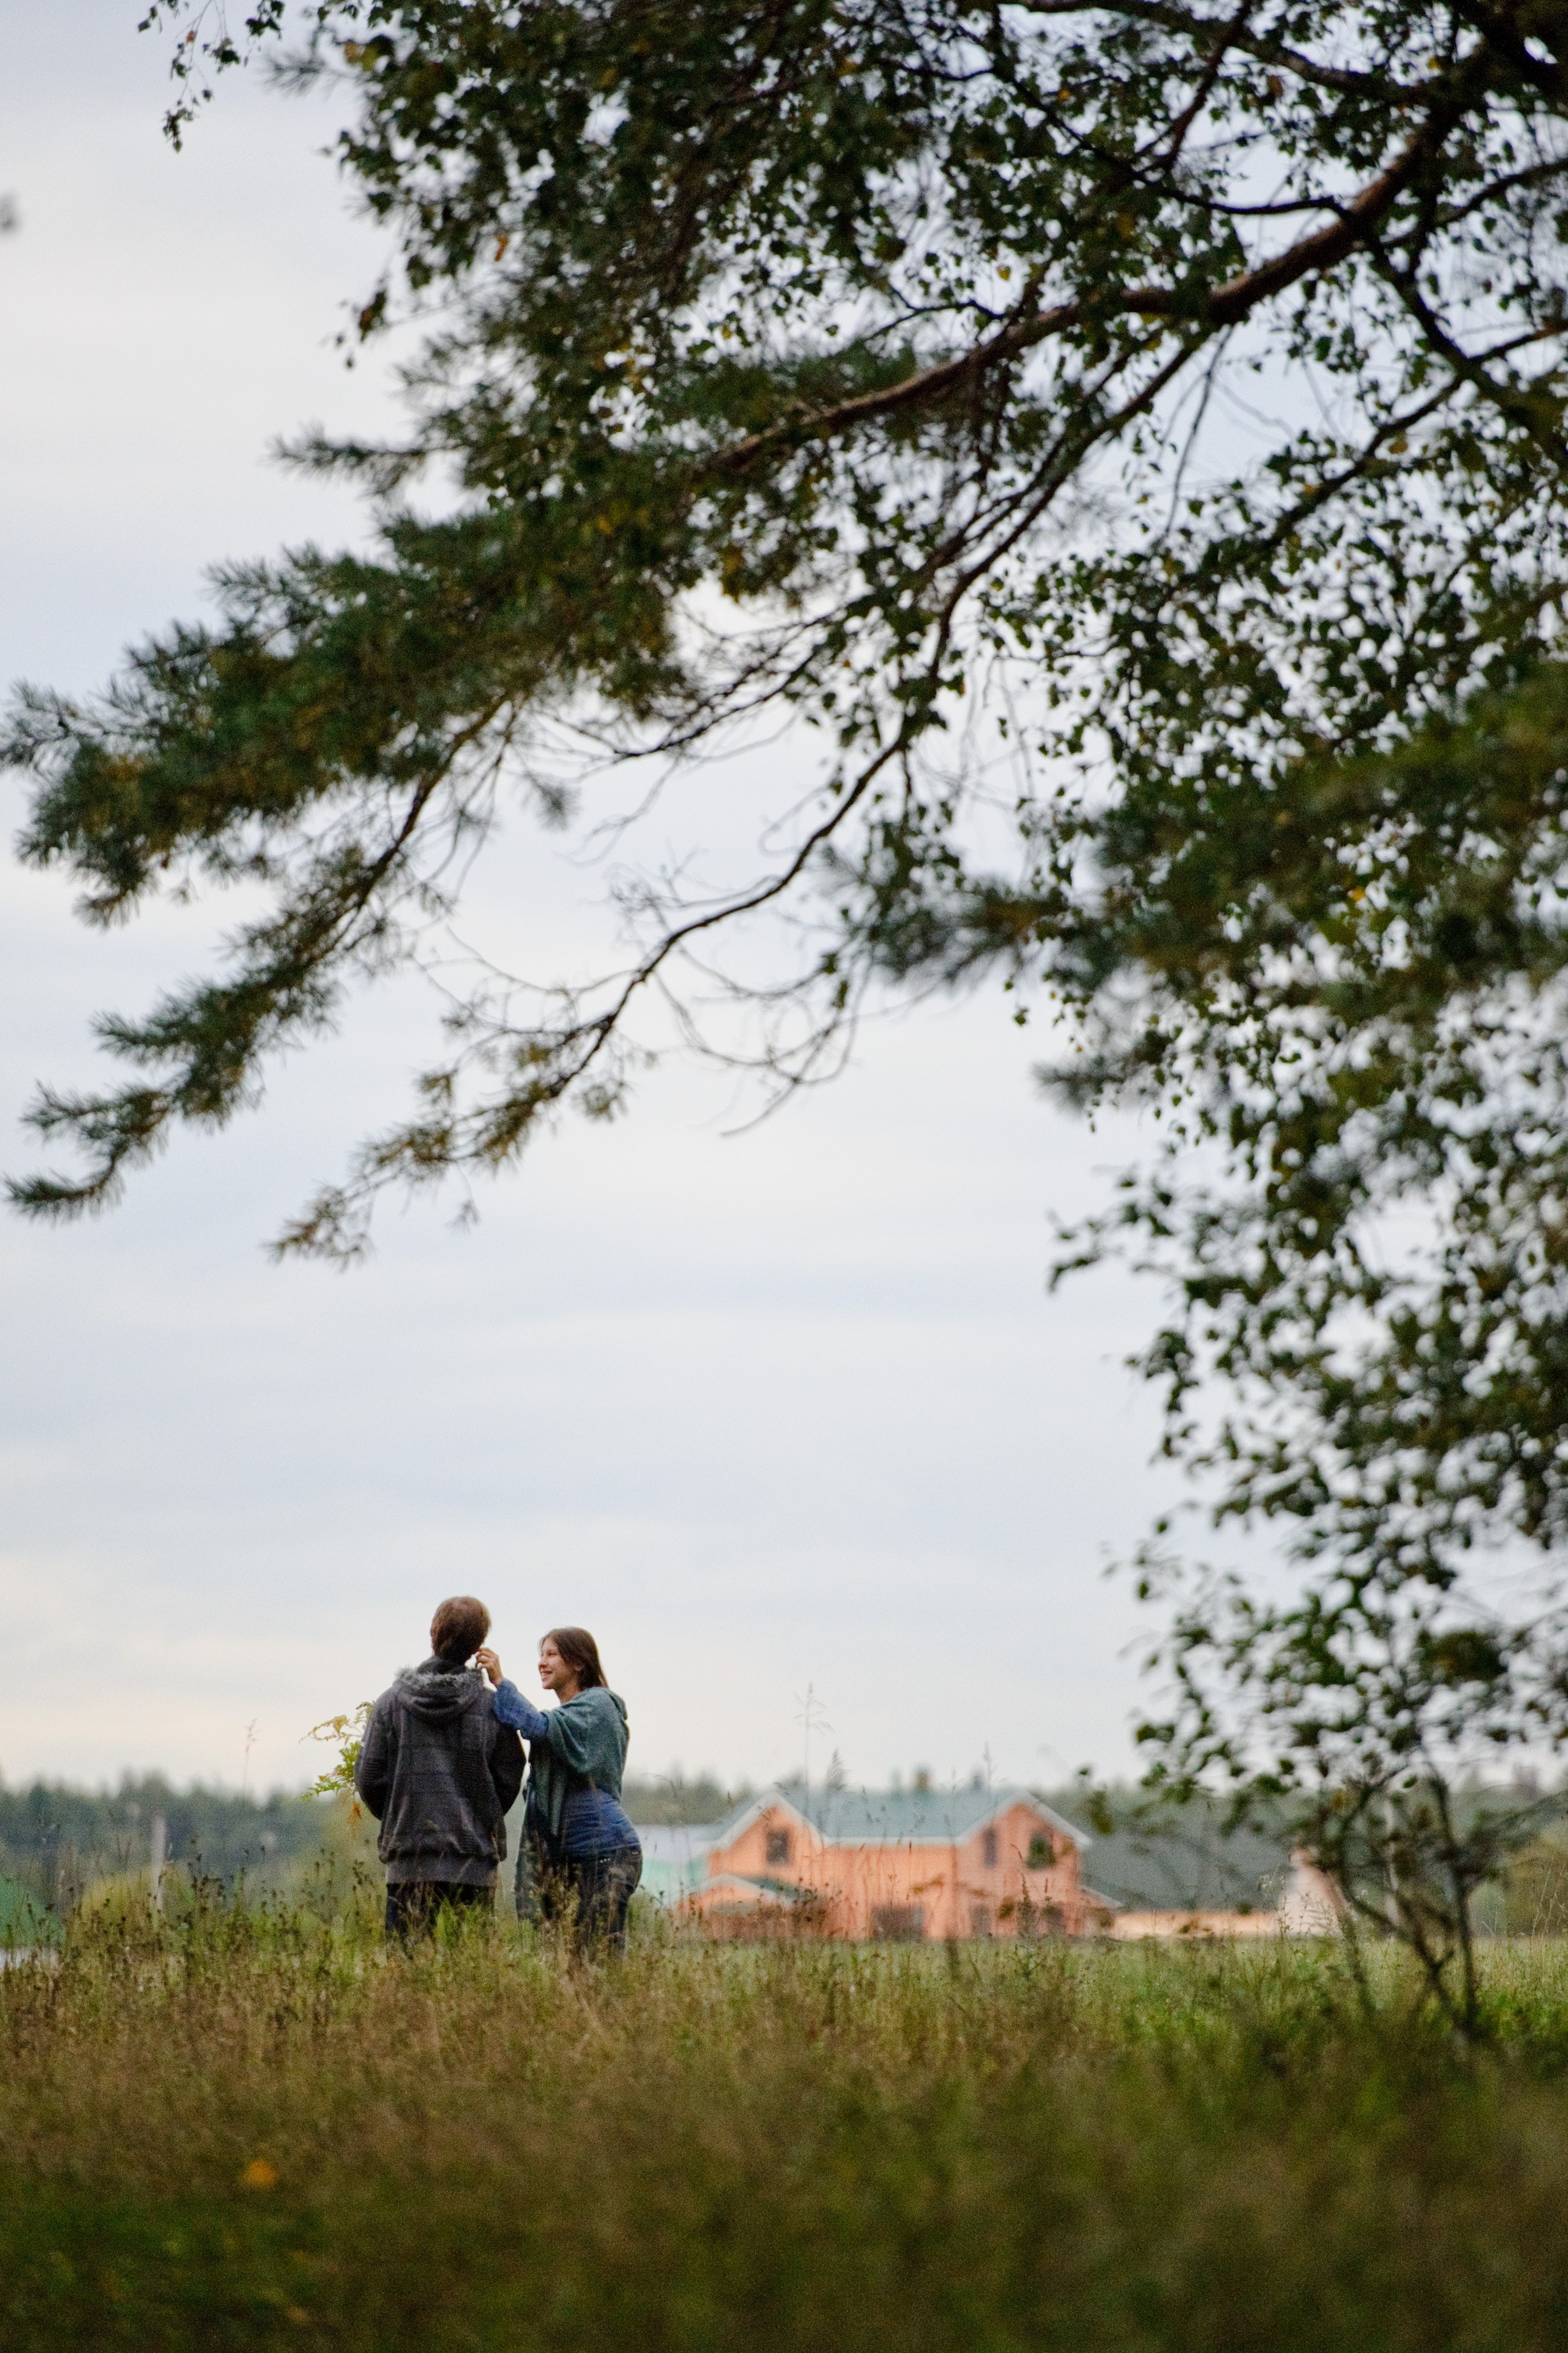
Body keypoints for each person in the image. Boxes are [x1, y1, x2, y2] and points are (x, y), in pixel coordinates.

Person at [355, 1595, 525, 1940]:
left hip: (408, 1863)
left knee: (406, 1979)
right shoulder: (491, 1708)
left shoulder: (390, 1704)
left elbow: (369, 1777)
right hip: (473, 1865)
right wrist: (482, 1816)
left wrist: (400, 1813)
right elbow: (510, 1775)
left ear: (433, 1632)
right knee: (471, 1979)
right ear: (477, 1646)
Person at [475, 1627, 642, 1953]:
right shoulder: (570, 1716)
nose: (542, 1662)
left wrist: (500, 1682)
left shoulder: (599, 1707)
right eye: (541, 1654)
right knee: (570, 1962)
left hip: (605, 1855)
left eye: (551, 1654)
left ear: (578, 1663)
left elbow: (538, 1727)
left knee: (598, 1961)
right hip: (573, 1856)